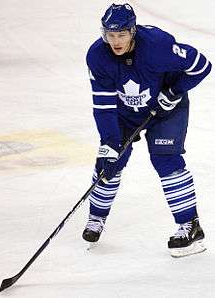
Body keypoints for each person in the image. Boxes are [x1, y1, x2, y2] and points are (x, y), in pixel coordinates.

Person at [82, 3, 212, 257]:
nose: (115, 41)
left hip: (166, 109)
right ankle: (96, 217)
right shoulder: (97, 56)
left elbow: (202, 66)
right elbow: (104, 105)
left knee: (166, 160)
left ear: (133, 32)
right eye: (110, 34)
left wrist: (174, 92)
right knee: (109, 161)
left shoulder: (157, 46)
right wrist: (110, 144)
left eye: (121, 34)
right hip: (124, 113)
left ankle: (190, 226)